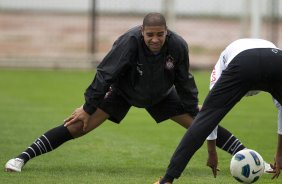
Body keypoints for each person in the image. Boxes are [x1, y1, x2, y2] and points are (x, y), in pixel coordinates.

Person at [5, 12, 246, 174]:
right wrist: (88, 108)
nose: (154, 39)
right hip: (123, 91)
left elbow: (184, 80)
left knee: (203, 123)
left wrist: (193, 107)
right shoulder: (128, 42)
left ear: (166, 32)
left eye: (159, 34)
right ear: (142, 31)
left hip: (161, 94)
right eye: (149, 34)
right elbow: (105, 74)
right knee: (79, 126)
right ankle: (22, 157)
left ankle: (248, 156)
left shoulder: (178, 46)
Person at [156, 38, 282, 184]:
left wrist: (211, 152)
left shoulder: (222, 63)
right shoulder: (230, 57)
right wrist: (280, 153)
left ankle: (167, 180)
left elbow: (209, 118)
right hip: (277, 60)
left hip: (244, 62)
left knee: (203, 119)